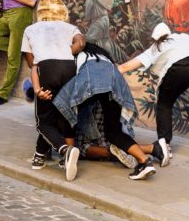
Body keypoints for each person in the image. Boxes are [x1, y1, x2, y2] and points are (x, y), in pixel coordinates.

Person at [118, 22, 189, 165]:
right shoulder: (184, 37)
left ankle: (163, 145)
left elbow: (126, 66)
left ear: (155, 38)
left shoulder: (156, 47)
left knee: (164, 105)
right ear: (170, 33)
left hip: (181, 67)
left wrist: (107, 71)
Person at [54, 42, 161, 180]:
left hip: (90, 79)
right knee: (114, 132)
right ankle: (145, 162)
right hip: (115, 83)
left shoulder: (80, 56)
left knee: (68, 111)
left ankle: (68, 158)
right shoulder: (105, 60)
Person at [21, 0, 85, 182]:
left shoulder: (31, 29)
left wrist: (39, 86)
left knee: (44, 119)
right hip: (69, 67)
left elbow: (31, 61)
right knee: (62, 112)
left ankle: (65, 150)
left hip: (46, 68)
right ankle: (40, 154)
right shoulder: (70, 27)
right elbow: (80, 43)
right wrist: (66, 52)